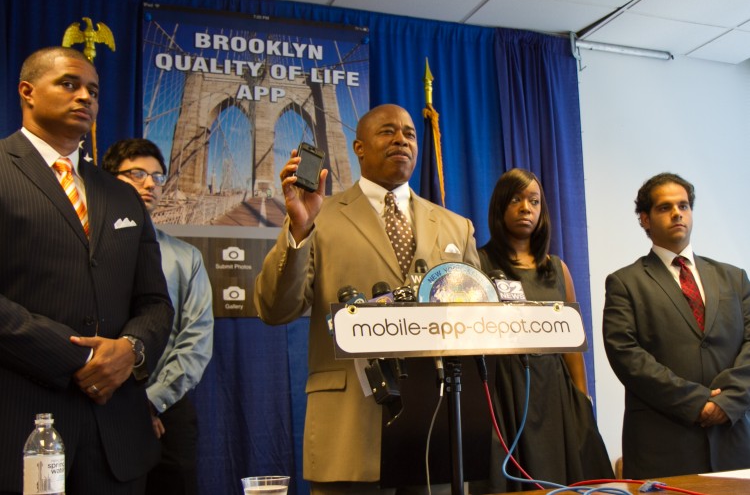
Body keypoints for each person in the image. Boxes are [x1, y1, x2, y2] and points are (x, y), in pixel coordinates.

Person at [254, 104, 480, 494]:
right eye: (387, 132)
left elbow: (478, 325)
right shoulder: (318, 216)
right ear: (358, 147)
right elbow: (275, 309)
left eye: (409, 133)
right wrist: (299, 229)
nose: (402, 140)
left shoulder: (455, 227)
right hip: (350, 430)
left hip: (436, 430)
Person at [0, 46, 173, 494]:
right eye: (69, 84)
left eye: (93, 91)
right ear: (27, 92)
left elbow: (154, 302)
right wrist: (80, 356)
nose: (85, 98)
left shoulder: (121, 196)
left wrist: (131, 350)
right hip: (19, 425)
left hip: (116, 436)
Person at [473, 168, 613, 492]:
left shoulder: (557, 269)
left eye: (534, 201)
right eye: (517, 200)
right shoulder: (478, 264)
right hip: (505, 389)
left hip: (555, 390)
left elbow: (573, 344)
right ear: (499, 206)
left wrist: (582, 398)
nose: (526, 208)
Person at [602, 172, 750, 479]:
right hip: (664, 444)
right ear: (644, 219)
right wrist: (698, 404)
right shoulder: (625, 283)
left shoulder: (734, 278)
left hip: (735, 440)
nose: (677, 213)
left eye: (683, 205)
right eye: (664, 207)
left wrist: (728, 401)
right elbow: (627, 357)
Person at [102, 138, 214, 495]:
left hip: (168, 409)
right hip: (98, 404)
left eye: (157, 176)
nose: (150, 183)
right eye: (137, 174)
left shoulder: (186, 258)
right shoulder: (84, 251)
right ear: (109, 179)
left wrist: (151, 401)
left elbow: (196, 342)